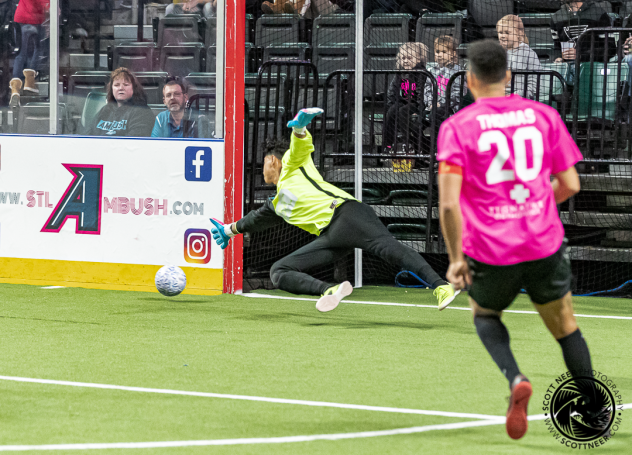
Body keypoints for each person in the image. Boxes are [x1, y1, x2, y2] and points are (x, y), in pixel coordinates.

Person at [437, 39, 595, 440]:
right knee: (566, 327)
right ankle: (593, 408)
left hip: (491, 249)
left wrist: (456, 258)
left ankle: (515, 379)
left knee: (485, 315)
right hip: (542, 243)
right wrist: (537, 205)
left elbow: (450, 206)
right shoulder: (542, 115)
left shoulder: (457, 127)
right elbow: (570, 183)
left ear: (470, 80)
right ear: (508, 75)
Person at [210, 108, 458, 311]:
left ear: (271, 160)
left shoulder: (291, 165)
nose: (262, 168)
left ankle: (441, 286)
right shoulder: (276, 203)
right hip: (331, 236)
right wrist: (228, 230)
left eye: (263, 162)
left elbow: (299, 147)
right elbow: (254, 220)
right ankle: (328, 290)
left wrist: (299, 128)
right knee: (279, 271)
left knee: (391, 251)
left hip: (347, 214)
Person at [550, 0, 612, 84]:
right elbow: (557, 47)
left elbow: (610, 48)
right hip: (566, 71)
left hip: (593, 70)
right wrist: (558, 58)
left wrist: (581, 55)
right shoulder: (556, 17)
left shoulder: (599, 14)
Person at [384, 42, 430, 154]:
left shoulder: (421, 73)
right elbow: (392, 91)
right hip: (403, 102)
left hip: (417, 104)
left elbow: (421, 93)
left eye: (409, 58)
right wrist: (391, 105)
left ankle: (407, 142)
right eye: (403, 58)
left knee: (403, 111)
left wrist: (419, 110)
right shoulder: (400, 73)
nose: (405, 61)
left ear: (419, 59)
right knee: (392, 111)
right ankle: (388, 145)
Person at [87, 67, 156, 137]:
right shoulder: (104, 110)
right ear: (112, 89)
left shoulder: (142, 112)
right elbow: (89, 134)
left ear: (134, 88)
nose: (120, 88)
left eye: (126, 85)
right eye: (116, 85)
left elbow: (134, 142)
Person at [10, 0, 50, 105]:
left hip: (20, 18)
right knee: (39, 48)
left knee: (20, 54)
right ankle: (29, 79)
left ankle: (15, 90)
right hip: (35, 20)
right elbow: (45, 4)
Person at [497, 14, 543, 99]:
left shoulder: (529, 53)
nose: (502, 36)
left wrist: (514, 96)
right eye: (500, 32)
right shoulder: (496, 54)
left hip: (522, 100)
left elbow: (534, 85)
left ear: (519, 34)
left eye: (507, 32)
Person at [424, 35, 464, 119]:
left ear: (453, 53)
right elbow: (427, 89)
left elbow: (457, 94)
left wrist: (441, 103)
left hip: (450, 108)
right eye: (437, 51)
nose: (439, 55)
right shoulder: (432, 70)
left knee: (435, 115)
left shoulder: (457, 71)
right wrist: (431, 103)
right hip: (433, 106)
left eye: (444, 52)